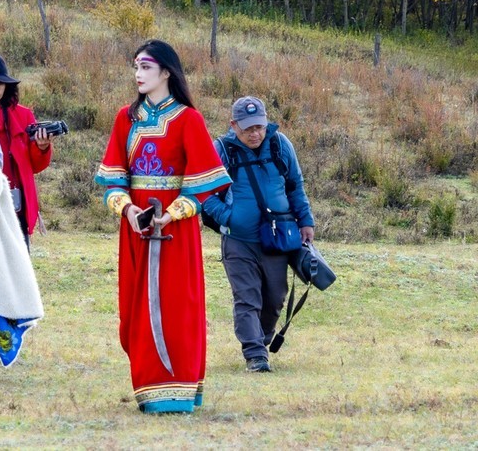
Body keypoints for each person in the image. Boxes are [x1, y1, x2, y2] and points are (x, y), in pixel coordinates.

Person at [94, 40, 231, 414]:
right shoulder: (126, 118)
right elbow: (113, 181)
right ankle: (148, 387)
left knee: (177, 308)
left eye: (146, 67)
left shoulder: (188, 119)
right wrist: (128, 210)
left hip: (175, 232)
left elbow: (202, 186)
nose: (138, 74)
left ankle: (177, 390)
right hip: (136, 230)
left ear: (166, 72)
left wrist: (170, 214)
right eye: (136, 66)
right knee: (135, 312)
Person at [200, 96, 315, 373]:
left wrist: (306, 221)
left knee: (275, 298)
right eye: (248, 128)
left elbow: (295, 186)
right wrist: (228, 218)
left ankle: (261, 342)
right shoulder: (221, 150)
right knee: (247, 297)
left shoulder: (280, 145)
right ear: (234, 125)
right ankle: (254, 355)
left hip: (278, 238)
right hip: (238, 241)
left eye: (259, 127)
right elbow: (203, 192)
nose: (255, 134)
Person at [0, 52, 56, 362]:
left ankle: (6, 333)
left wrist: (42, 147)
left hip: (15, 208)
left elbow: (34, 165)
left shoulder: (23, 115)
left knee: (13, 273)